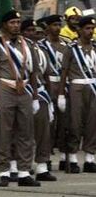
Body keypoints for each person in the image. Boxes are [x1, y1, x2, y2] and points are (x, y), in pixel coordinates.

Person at [0, 9, 41, 187]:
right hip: (4, 88)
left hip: (24, 90)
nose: (16, 26)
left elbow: (34, 72)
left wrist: (36, 97)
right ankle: (3, 171)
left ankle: (23, 171)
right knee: (4, 132)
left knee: (26, 132)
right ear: (5, 25)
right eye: (12, 23)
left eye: (18, 22)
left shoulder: (27, 45)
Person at [58, 16, 96, 174]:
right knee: (75, 123)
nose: (90, 31)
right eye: (87, 28)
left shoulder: (95, 47)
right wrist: (61, 94)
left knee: (92, 123)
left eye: (92, 28)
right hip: (76, 87)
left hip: (93, 86)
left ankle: (89, 158)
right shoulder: (71, 48)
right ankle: (72, 157)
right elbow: (64, 72)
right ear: (79, 30)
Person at [22, 19, 57, 181]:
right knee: (24, 132)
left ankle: (42, 166)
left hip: (41, 94)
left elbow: (47, 74)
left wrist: (50, 100)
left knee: (43, 132)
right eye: (28, 30)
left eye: (34, 30)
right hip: (24, 92)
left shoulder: (42, 49)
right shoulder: (18, 49)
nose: (32, 33)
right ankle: (23, 166)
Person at [37, 15, 68, 171]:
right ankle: (46, 156)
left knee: (65, 123)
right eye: (54, 25)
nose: (57, 28)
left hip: (64, 85)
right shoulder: (40, 45)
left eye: (59, 25)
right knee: (48, 124)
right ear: (47, 27)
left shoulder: (67, 44)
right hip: (48, 84)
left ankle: (64, 156)